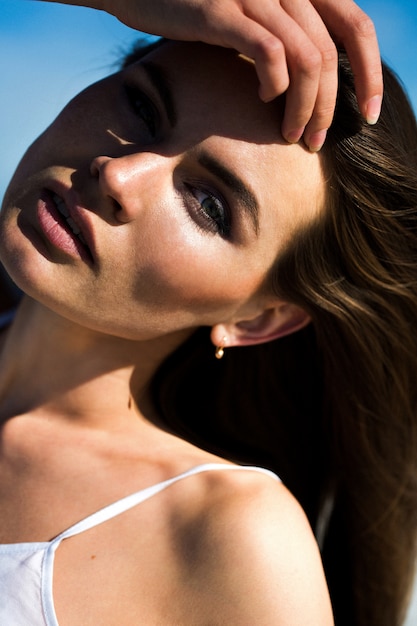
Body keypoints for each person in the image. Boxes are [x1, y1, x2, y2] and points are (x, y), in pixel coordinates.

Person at [0, 1, 416, 625]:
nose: (119, 174)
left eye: (208, 205)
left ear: (257, 320)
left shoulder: (231, 534)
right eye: (141, 105)